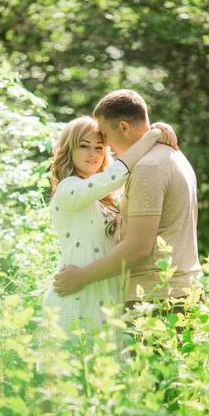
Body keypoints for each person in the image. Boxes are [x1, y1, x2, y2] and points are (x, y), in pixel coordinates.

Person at [53, 90, 202, 312]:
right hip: (179, 292)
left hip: (158, 297)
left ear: (123, 127)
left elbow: (138, 247)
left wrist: (82, 277)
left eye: (103, 140)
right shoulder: (174, 157)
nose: (106, 146)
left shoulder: (147, 169)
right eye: (84, 145)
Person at [42, 115, 178, 332]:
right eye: (84, 146)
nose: (93, 154)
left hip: (108, 293)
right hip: (76, 295)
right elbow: (114, 175)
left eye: (99, 147)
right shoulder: (68, 190)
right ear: (69, 149)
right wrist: (152, 135)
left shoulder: (104, 196)